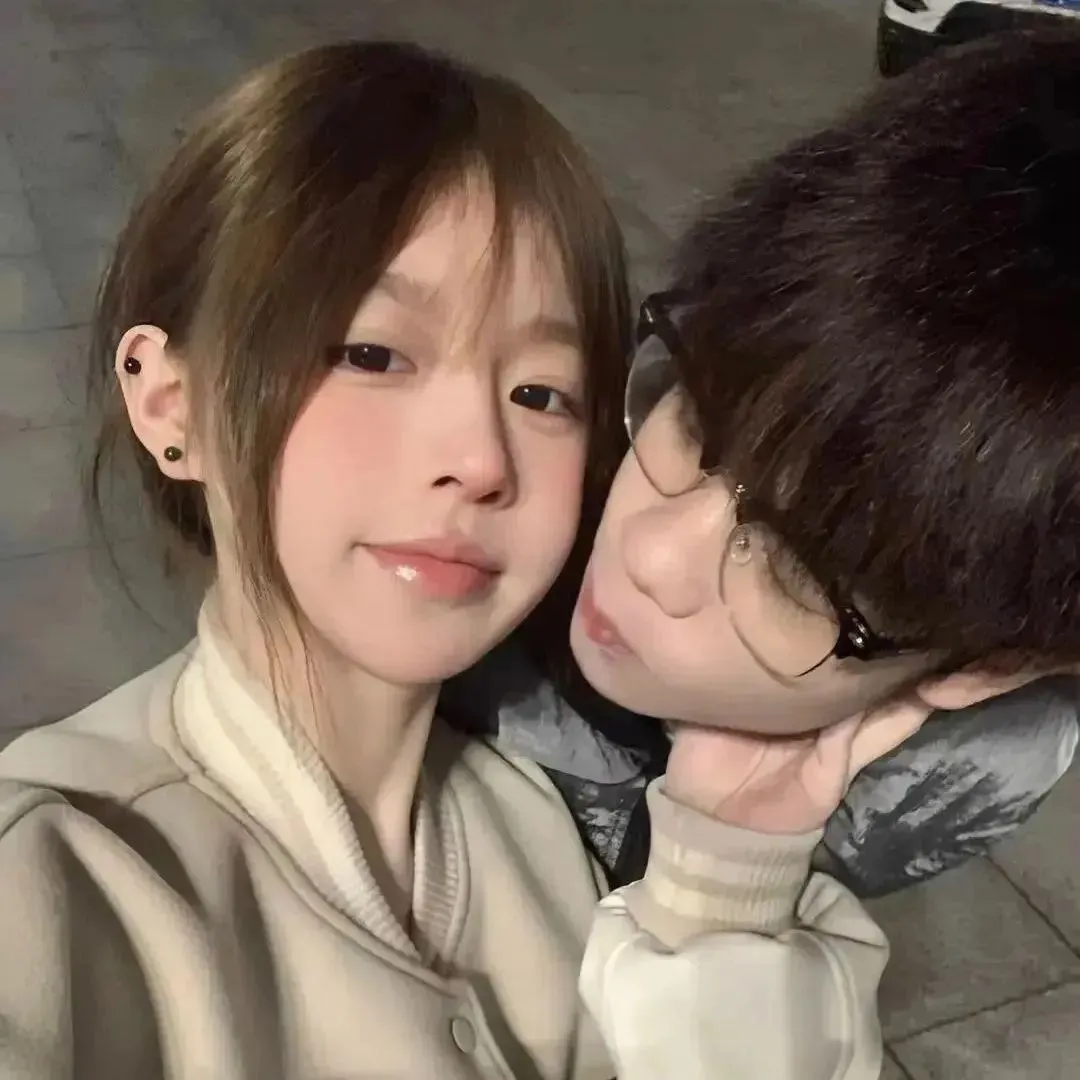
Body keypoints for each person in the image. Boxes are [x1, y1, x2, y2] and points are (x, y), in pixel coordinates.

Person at [0, 39, 643, 1078]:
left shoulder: (543, 835)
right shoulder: (63, 875)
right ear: (170, 401)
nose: (483, 460)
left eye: (541, 393)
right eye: (372, 353)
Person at [563, 25, 1080, 1076]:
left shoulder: (939, 798)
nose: (652, 551)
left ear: (988, 667)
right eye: (698, 415)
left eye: (798, 566)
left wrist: (719, 897)